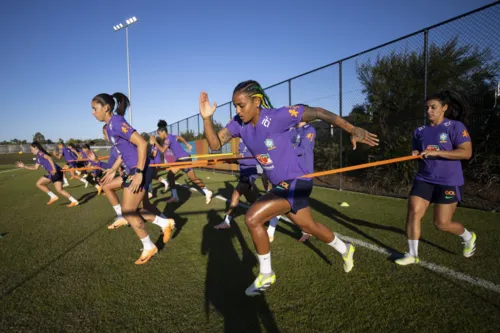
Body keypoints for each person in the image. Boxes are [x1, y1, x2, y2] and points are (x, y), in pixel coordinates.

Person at [199, 80, 378, 295]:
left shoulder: (277, 117)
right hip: (281, 185)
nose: (237, 110)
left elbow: (319, 112)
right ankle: (346, 249)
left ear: (256, 101)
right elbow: (215, 144)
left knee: (253, 217)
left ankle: (266, 274)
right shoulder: (238, 124)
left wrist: (352, 128)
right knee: (309, 226)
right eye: (235, 106)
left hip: (297, 180)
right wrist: (207, 118)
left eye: (241, 105)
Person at [92, 92, 174, 264]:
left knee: (129, 213)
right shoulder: (109, 127)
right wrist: (114, 168)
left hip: (140, 169)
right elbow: (124, 151)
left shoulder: (116, 122)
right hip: (133, 169)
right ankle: (163, 224)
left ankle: (150, 245)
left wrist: (138, 173)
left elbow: (142, 143)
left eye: (95, 108)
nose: (93, 112)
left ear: (106, 108)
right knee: (132, 210)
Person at [395, 90, 476, 265]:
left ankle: (468, 236)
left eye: (433, 107)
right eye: (427, 108)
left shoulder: (455, 127)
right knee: (413, 212)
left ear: (444, 108)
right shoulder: (419, 131)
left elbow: (466, 153)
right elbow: (418, 150)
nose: (429, 111)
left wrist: (437, 152)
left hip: (449, 181)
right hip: (424, 178)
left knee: (442, 224)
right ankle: (412, 254)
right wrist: (416, 153)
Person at [267, 115, 316, 243]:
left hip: (302, 174)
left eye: (300, 113)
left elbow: (303, 149)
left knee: (281, 200)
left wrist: (284, 151)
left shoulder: (310, 130)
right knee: (298, 204)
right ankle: (306, 231)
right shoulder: (292, 130)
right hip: (289, 173)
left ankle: (270, 231)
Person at [214, 140, 279, 231]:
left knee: (236, 193)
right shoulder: (241, 143)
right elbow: (242, 159)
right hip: (243, 173)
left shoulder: (255, 140)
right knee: (251, 199)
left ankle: (227, 221)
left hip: (251, 172)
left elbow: (258, 158)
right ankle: (268, 213)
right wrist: (232, 161)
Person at [152, 120, 213, 204]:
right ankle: (206, 192)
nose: (159, 136)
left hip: (183, 159)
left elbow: (162, 150)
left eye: (159, 133)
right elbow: (180, 137)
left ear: (163, 132)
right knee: (188, 177)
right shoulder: (172, 136)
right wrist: (187, 144)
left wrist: (155, 142)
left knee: (174, 175)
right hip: (183, 158)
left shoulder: (167, 139)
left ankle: (176, 196)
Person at [16, 141, 79, 207]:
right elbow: (35, 168)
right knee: (59, 190)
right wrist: (24, 166)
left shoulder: (40, 153)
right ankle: (74, 201)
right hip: (59, 172)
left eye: (31, 149)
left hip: (55, 172)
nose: (31, 151)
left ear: (36, 148)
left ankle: (53, 196)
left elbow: (49, 158)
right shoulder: (38, 157)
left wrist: (54, 169)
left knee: (39, 183)